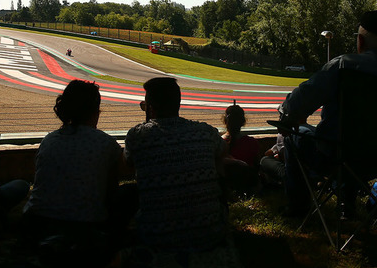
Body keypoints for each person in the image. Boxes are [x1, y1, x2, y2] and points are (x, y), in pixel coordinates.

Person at [278, 10, 377, 216]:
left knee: (297, 136)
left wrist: (287, 118)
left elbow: (295, 105)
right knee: (353, 143)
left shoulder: (343, 66)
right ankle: (347, 204)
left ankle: (298, 208)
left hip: (338, 157)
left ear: (360, 41)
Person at [124, 77, 228, 252]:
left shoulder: (137, 135)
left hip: (155, 238)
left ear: (150, 108)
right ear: (177, 104)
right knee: (219, 163)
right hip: (210, 234)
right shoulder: (206, 132)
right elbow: (223, 151)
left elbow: (126, 166)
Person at [22, 80, 124, 253]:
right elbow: (111, 194)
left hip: (36, 223)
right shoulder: (107, 144)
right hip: (86, 227)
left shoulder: (48, 141)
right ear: (95, 112)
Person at [221, 103, 261, 194]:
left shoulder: (220, 143)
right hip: (248, 186)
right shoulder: (252, 142)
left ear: (225, 121)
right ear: (243, 122)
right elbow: (257, 165)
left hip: (229, 187)